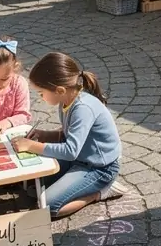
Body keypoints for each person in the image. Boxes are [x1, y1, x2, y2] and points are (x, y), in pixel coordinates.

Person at [12, 52, 125, 218]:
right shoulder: (66, 100)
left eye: (41, 92)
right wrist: (45, 135)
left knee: (46, 207)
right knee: (33, 186)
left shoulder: (83, 108)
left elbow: (71, 150)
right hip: (79, 160)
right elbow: (68, 134)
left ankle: (99, 193)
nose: (41, 97)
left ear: (59, 89)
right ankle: (75, 183)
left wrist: (31, 146)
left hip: (99, 168)